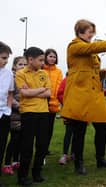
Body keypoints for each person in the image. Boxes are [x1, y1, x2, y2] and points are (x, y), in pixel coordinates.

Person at [60, 19, 106, 175]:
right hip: (79, 94)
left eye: (93, 31)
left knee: (102, 127)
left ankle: (101, 159)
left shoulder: (87, 48)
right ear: (80, 32)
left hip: (94, 94)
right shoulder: (75, 46)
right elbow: (92, 48)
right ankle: (78, 162)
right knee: (79, 130)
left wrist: (102, 72)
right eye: (89, 31)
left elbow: (89, 72)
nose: (92, 34)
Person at [15, 47, 51, 185]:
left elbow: (48, 93)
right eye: (41, 60)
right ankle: (22, 176)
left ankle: (37, 173)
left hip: (43, 113)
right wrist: (41, 89)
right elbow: (25, 94)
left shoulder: (44, 73)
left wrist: (33, 91)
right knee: (27, 146)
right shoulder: (20, 74)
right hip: (28, 113)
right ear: (30, 59)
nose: (43, 62)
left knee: (42, 145)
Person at [2, 56, 27, 176]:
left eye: (25, 65)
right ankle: (7, 164)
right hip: (13, 114)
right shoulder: (12, 78)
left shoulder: (26, 79)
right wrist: (20, 106)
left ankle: (15, 161)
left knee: (21, 140)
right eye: (20, 64)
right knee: (13, 140)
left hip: (24, 114)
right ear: (14, 66)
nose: (23, 67)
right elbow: (9, 96)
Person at [43, 48, 63, 156]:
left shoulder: (59, 71)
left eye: (54, 57)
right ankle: (40, 148)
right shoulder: (41, 69)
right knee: (42, 128)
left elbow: (59, 87)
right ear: (45, 57)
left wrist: (57, 100)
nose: (52, 58)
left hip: (53, 103)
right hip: (42, 103)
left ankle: (45, 149)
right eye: (50, 56)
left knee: (49, 129)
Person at [0, 41, 13, 187]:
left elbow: (10, 92)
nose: (6, 61)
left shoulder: (8, 73)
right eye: (3, 58)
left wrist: (8, 110)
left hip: (4, 114)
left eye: (7, 58)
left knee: (1, 145)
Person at [57, 73, 74, 165]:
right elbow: (60, 93)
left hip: (81, 111)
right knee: (69, 132)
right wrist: (68, 102)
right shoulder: (67, 80)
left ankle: (74, 153)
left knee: (79, 133)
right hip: (69, 111)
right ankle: (64, 154)